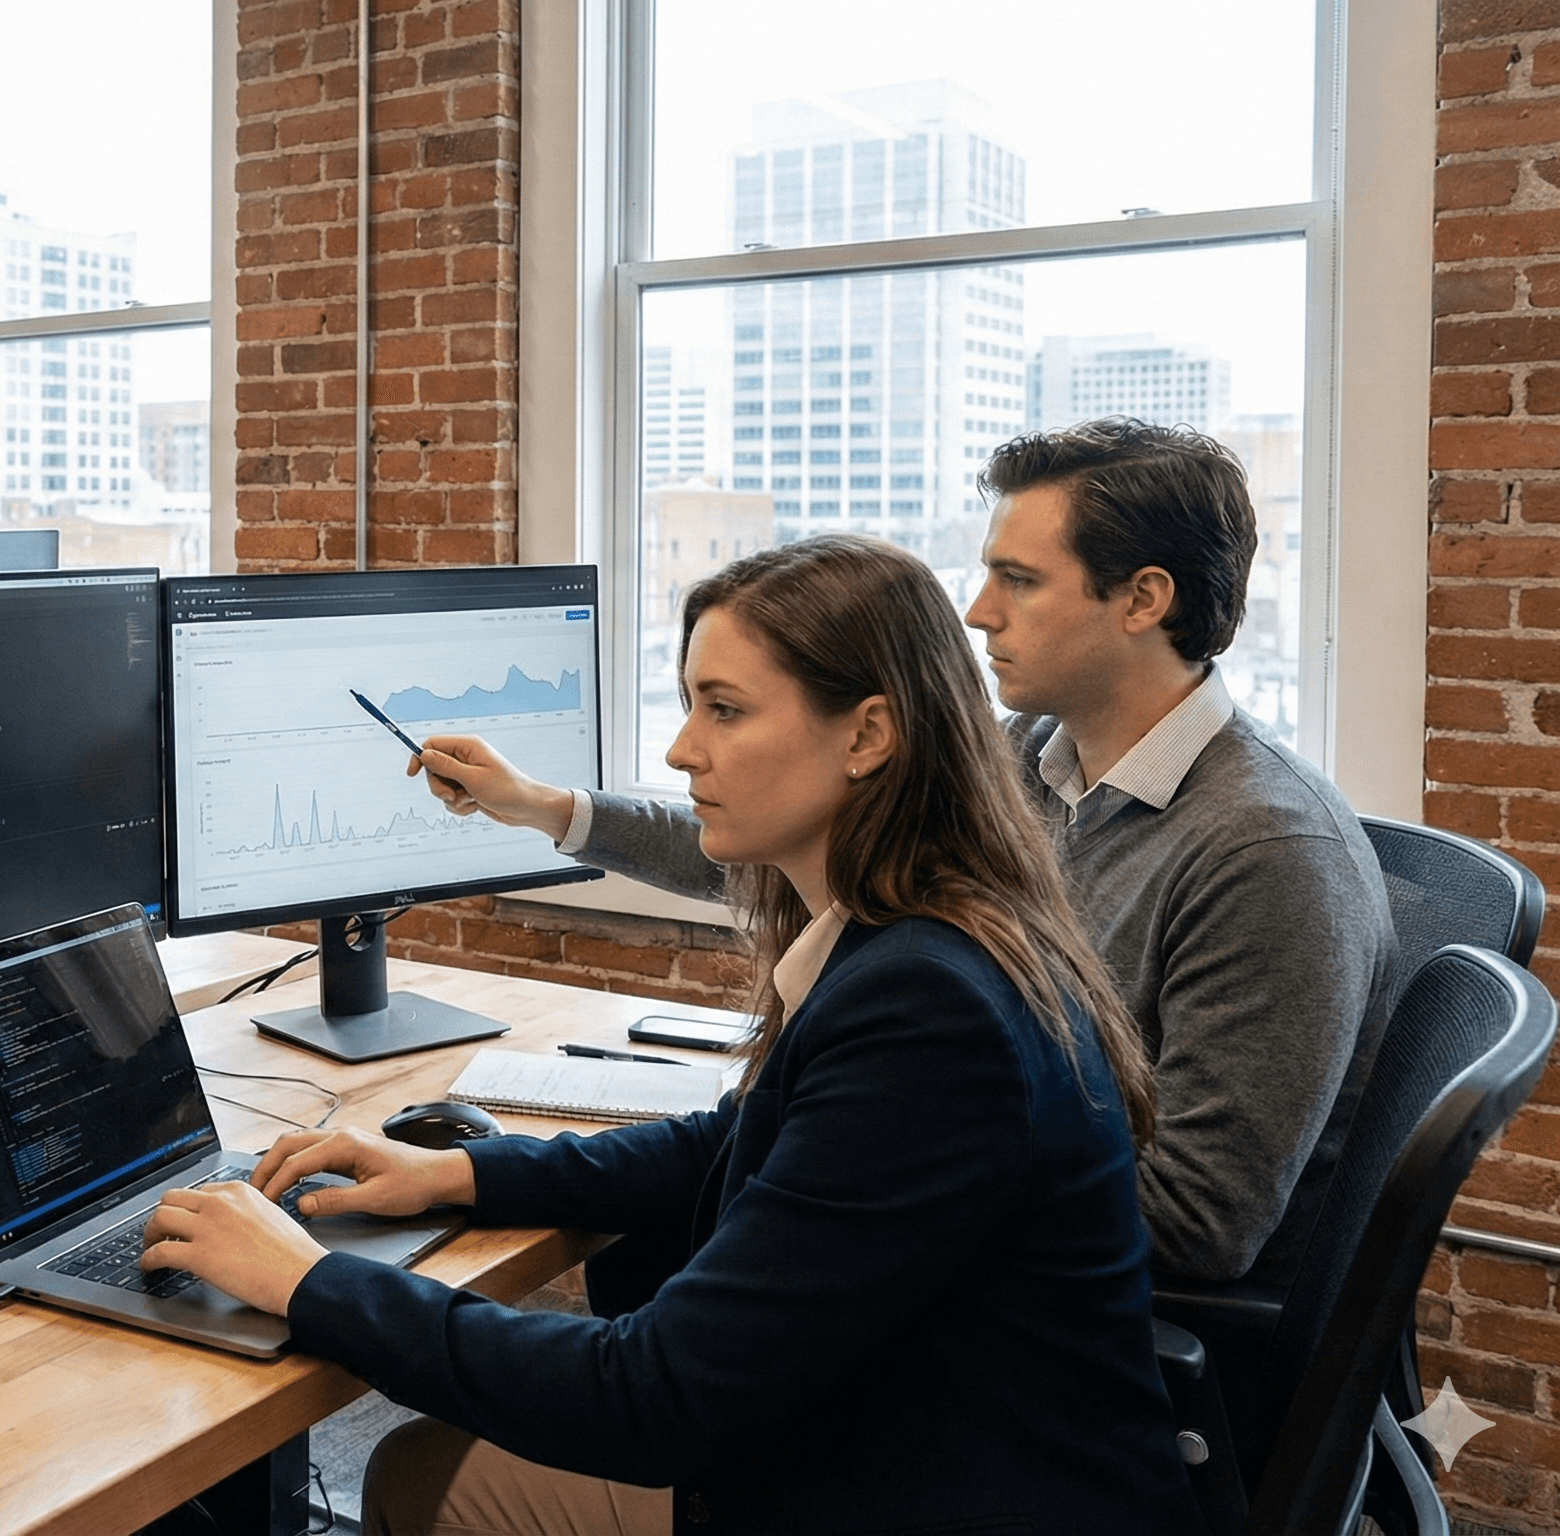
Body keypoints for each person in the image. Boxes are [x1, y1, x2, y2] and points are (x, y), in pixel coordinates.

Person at [140, 534, 1204, 1535]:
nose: (680, 749)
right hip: (934, 1438)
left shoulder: (931, 1011)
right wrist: (457, 1177)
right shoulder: (930, 932)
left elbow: (650, 1398)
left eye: (724, 710)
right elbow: (734, 1143)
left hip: (945, 1492)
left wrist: (305, 1281)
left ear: (868, 734)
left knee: (417, 1475)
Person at [408, 418, 1395, 1295]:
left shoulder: (1264, 851)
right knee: (667, 1248)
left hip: (1054, 1335)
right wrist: (545, 807)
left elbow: (1200, 1220)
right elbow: (808, 847)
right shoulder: (1029, 761)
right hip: (963, 1247)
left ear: (1140, 598)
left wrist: (869, 1155)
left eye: (1017, 579)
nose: (977, 612)